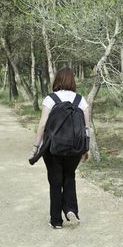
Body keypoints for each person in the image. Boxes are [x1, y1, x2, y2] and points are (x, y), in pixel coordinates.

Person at [30, 67, 90, 229]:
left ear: (57, 80)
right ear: (72, 80)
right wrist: (86, 148)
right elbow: (86, 127)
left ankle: (56, 220)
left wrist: (36, 146)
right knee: (69, 177)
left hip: (52, 148)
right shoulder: (80, 100)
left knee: (55, 181)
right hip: (74, 148)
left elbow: (42, 124)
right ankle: (71, 210)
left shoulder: (51, 99)